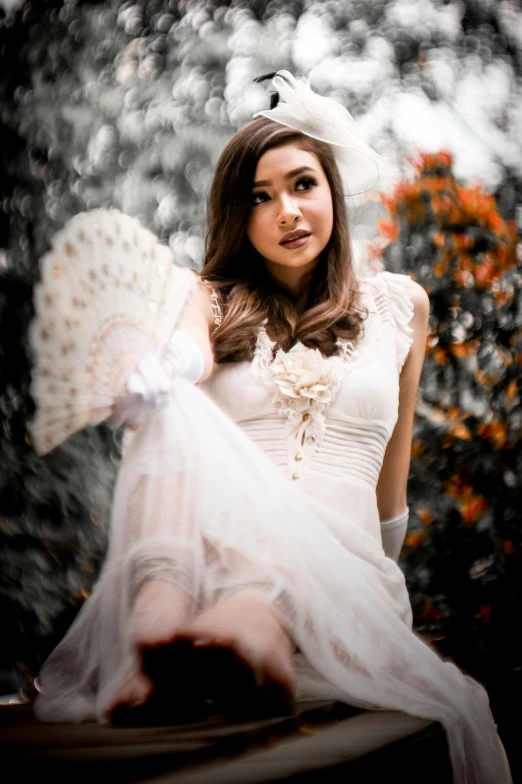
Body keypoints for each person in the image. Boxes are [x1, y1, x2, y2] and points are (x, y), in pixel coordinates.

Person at [33, 72, 511, 783]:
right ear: (237, 216)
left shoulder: (399, 308)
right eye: (259, 197)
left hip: (341, 577)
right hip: (210, 562)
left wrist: (377, 588)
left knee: (271, 587)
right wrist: (160, 373)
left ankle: (235, 643)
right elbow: (188, 356)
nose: (286, 211)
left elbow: (390, 493)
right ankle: (158, 624)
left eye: (302, 185)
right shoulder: (207, 299)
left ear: (332, 194)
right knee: (168, 405)